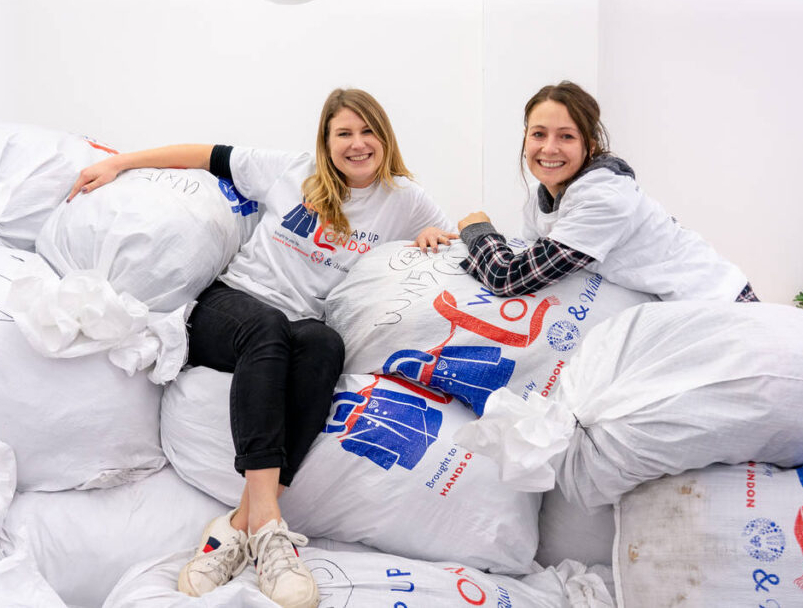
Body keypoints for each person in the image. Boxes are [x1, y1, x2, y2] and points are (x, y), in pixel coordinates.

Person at [68, 88, 457, 608]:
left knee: (324, 343)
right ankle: (271, 527)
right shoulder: (293, 172)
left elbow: (447, 234)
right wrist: (122, 164)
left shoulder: (403, 198)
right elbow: (206, 154)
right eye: (344, 133)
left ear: (385, 139)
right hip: (228, 310)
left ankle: (240, 524)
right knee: (268, 327)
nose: (357, 144)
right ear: (326, 141)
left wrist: (433, 232)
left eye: (368, 132)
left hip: (298, 326)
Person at [457, 80, 758, 302]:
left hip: (720, 303)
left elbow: (509, 277)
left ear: (589, 144)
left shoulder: (603, 198)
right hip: (674, 311)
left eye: (566, 136)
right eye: (539, 134)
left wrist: (477, 230)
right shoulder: (541, 199)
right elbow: (528, 261)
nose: (549, 148)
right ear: (525, 138)